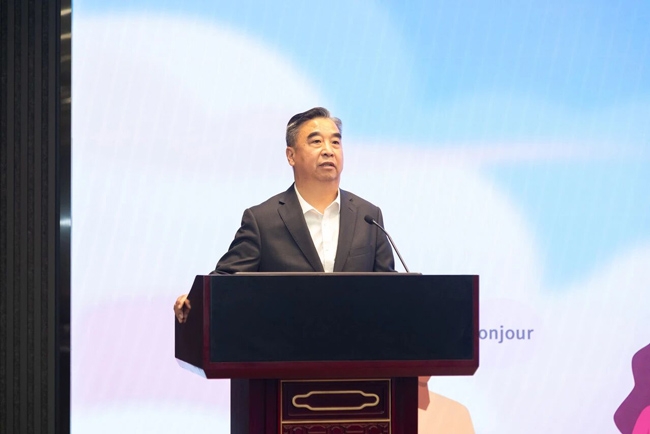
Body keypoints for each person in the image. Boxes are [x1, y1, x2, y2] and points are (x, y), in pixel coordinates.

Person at [174, 107, 395, 322]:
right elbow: (224, 283)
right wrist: (193, 301)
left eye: (335, 142)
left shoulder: (368, 217)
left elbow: (391, 291)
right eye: (316, 142)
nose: (328, 150)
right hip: (287, 342)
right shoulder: (262, 221)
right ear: (291, 155)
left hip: (355, 343)